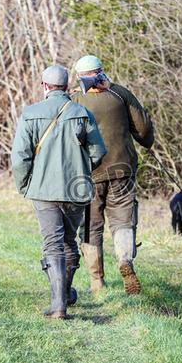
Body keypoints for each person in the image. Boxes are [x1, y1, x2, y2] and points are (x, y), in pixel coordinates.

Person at [11, 65, 106, 319]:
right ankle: (64, 295)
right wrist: (81, 169)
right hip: (75, 189)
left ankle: (59, 304)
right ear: (66, 87)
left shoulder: (30, 113)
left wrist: (24, 185)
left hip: (43, 190)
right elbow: (98, 153)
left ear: (44, 86)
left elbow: (20, 158)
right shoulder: (82, 113)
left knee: (53, 243)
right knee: (68, 242)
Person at [72, 55, 154, 295]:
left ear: (80, 77)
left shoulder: (74, 100)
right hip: (122, 168)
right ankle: (125, 260)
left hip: (87, 174)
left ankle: (97, 282)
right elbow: (144, 130)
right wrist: (144, 139)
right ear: (101, 72)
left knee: (91, 225)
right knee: (123, 220)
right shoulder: (120, 94)